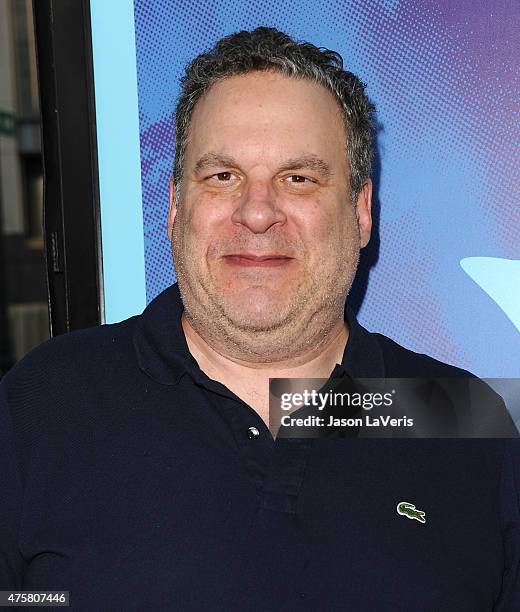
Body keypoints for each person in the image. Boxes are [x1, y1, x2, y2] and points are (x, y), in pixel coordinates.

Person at [0, 27, 518, 610]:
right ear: (175, 207)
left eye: (299, 179)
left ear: (361, 212)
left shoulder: (464, 419)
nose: (257, 213)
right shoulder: (42, 405)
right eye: (223, 176)